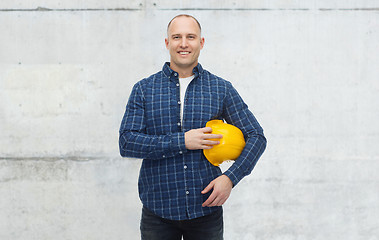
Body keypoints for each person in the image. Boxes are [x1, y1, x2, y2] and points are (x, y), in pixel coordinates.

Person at [119, 14, 266, 240]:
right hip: (157, 212)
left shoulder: (221, 89)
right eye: (177, 37)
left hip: (206, 211)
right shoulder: (144, 89)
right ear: (167, 43)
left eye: (191, 37)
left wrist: (230, 178)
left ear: (201, 42)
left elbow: (256, 136)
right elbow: (127, 142)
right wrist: (183, 141)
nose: (184, 43)